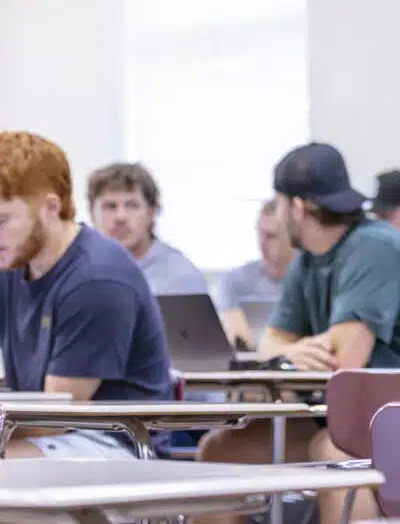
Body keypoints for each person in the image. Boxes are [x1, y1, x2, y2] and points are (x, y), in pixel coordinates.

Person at [195, 142, 400, 524]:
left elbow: (342, 362)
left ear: (297, 208)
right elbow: (270, 345)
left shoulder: (374, 247)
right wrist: (294, 351)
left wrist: (290, 352)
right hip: (343, 416)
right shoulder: (308, 259)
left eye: (278, 204)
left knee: (333, 456)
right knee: (220, 453)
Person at [0, 132, 174, 459]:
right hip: (52, 431)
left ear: (50, 208)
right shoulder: (13, 259)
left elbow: (54, 418)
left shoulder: (97, 278)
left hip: (115, 443)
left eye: (2, 220)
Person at [87, 162, 208, 296]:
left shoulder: (180, 277)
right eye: (110, 206)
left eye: (132, 206)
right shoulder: (76, 271)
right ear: (92, 214)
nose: (120, 217)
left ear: (151, 213)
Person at [214, 199, 295, 348]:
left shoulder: (313, 279)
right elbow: (238, 341)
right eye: (260, 234)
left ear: (293, 238)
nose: (261, 243)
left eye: (271, 236)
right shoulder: (235, 281)